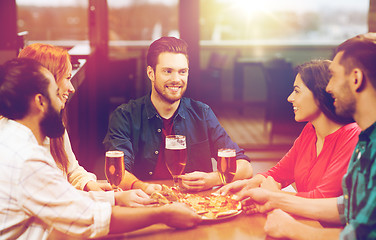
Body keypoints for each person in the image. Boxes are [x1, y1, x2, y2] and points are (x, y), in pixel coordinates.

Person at [0, 58, 201, 239]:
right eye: (55, 92)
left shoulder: (9, 137)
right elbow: (89, 218)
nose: (65, 95)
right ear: (40, 102)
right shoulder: (28, 159)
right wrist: (163, 214)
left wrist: (114, 197)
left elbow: (63, 198)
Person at [235, 33, 376, 239]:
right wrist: (272, 198)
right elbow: (348, 206)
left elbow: (362, 235)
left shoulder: (358, 139)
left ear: (356, 78)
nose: (329, 87)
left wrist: (290, 226)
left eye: (334, 76)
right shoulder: (366, 141)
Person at [104, 36, 253, 192]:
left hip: (198, 207)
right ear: (151, 73)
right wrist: (144, 188)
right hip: (146, 205)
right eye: (167, 71)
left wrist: (212, 179)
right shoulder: (125, 116)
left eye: (182, 72)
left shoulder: (202, 113)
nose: (176, 79)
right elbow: (118, 173)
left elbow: (245, 167)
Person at [218, 60, 360, 198]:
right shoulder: (310, 130)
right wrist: (247, 185)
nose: (290, 98)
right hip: (303, 220)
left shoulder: (352, 136)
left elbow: (322, 199)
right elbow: (278, 174)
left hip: (324, 222)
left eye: (297, 91)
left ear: (320, 94)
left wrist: (275, 195)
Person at [17, 43, 110, 191]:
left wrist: (90, 184)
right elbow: (53, 199)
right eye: (67, 78)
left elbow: (71, 169)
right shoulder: (16, 140)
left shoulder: (52, 122)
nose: (72, 88)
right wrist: (110, 200)